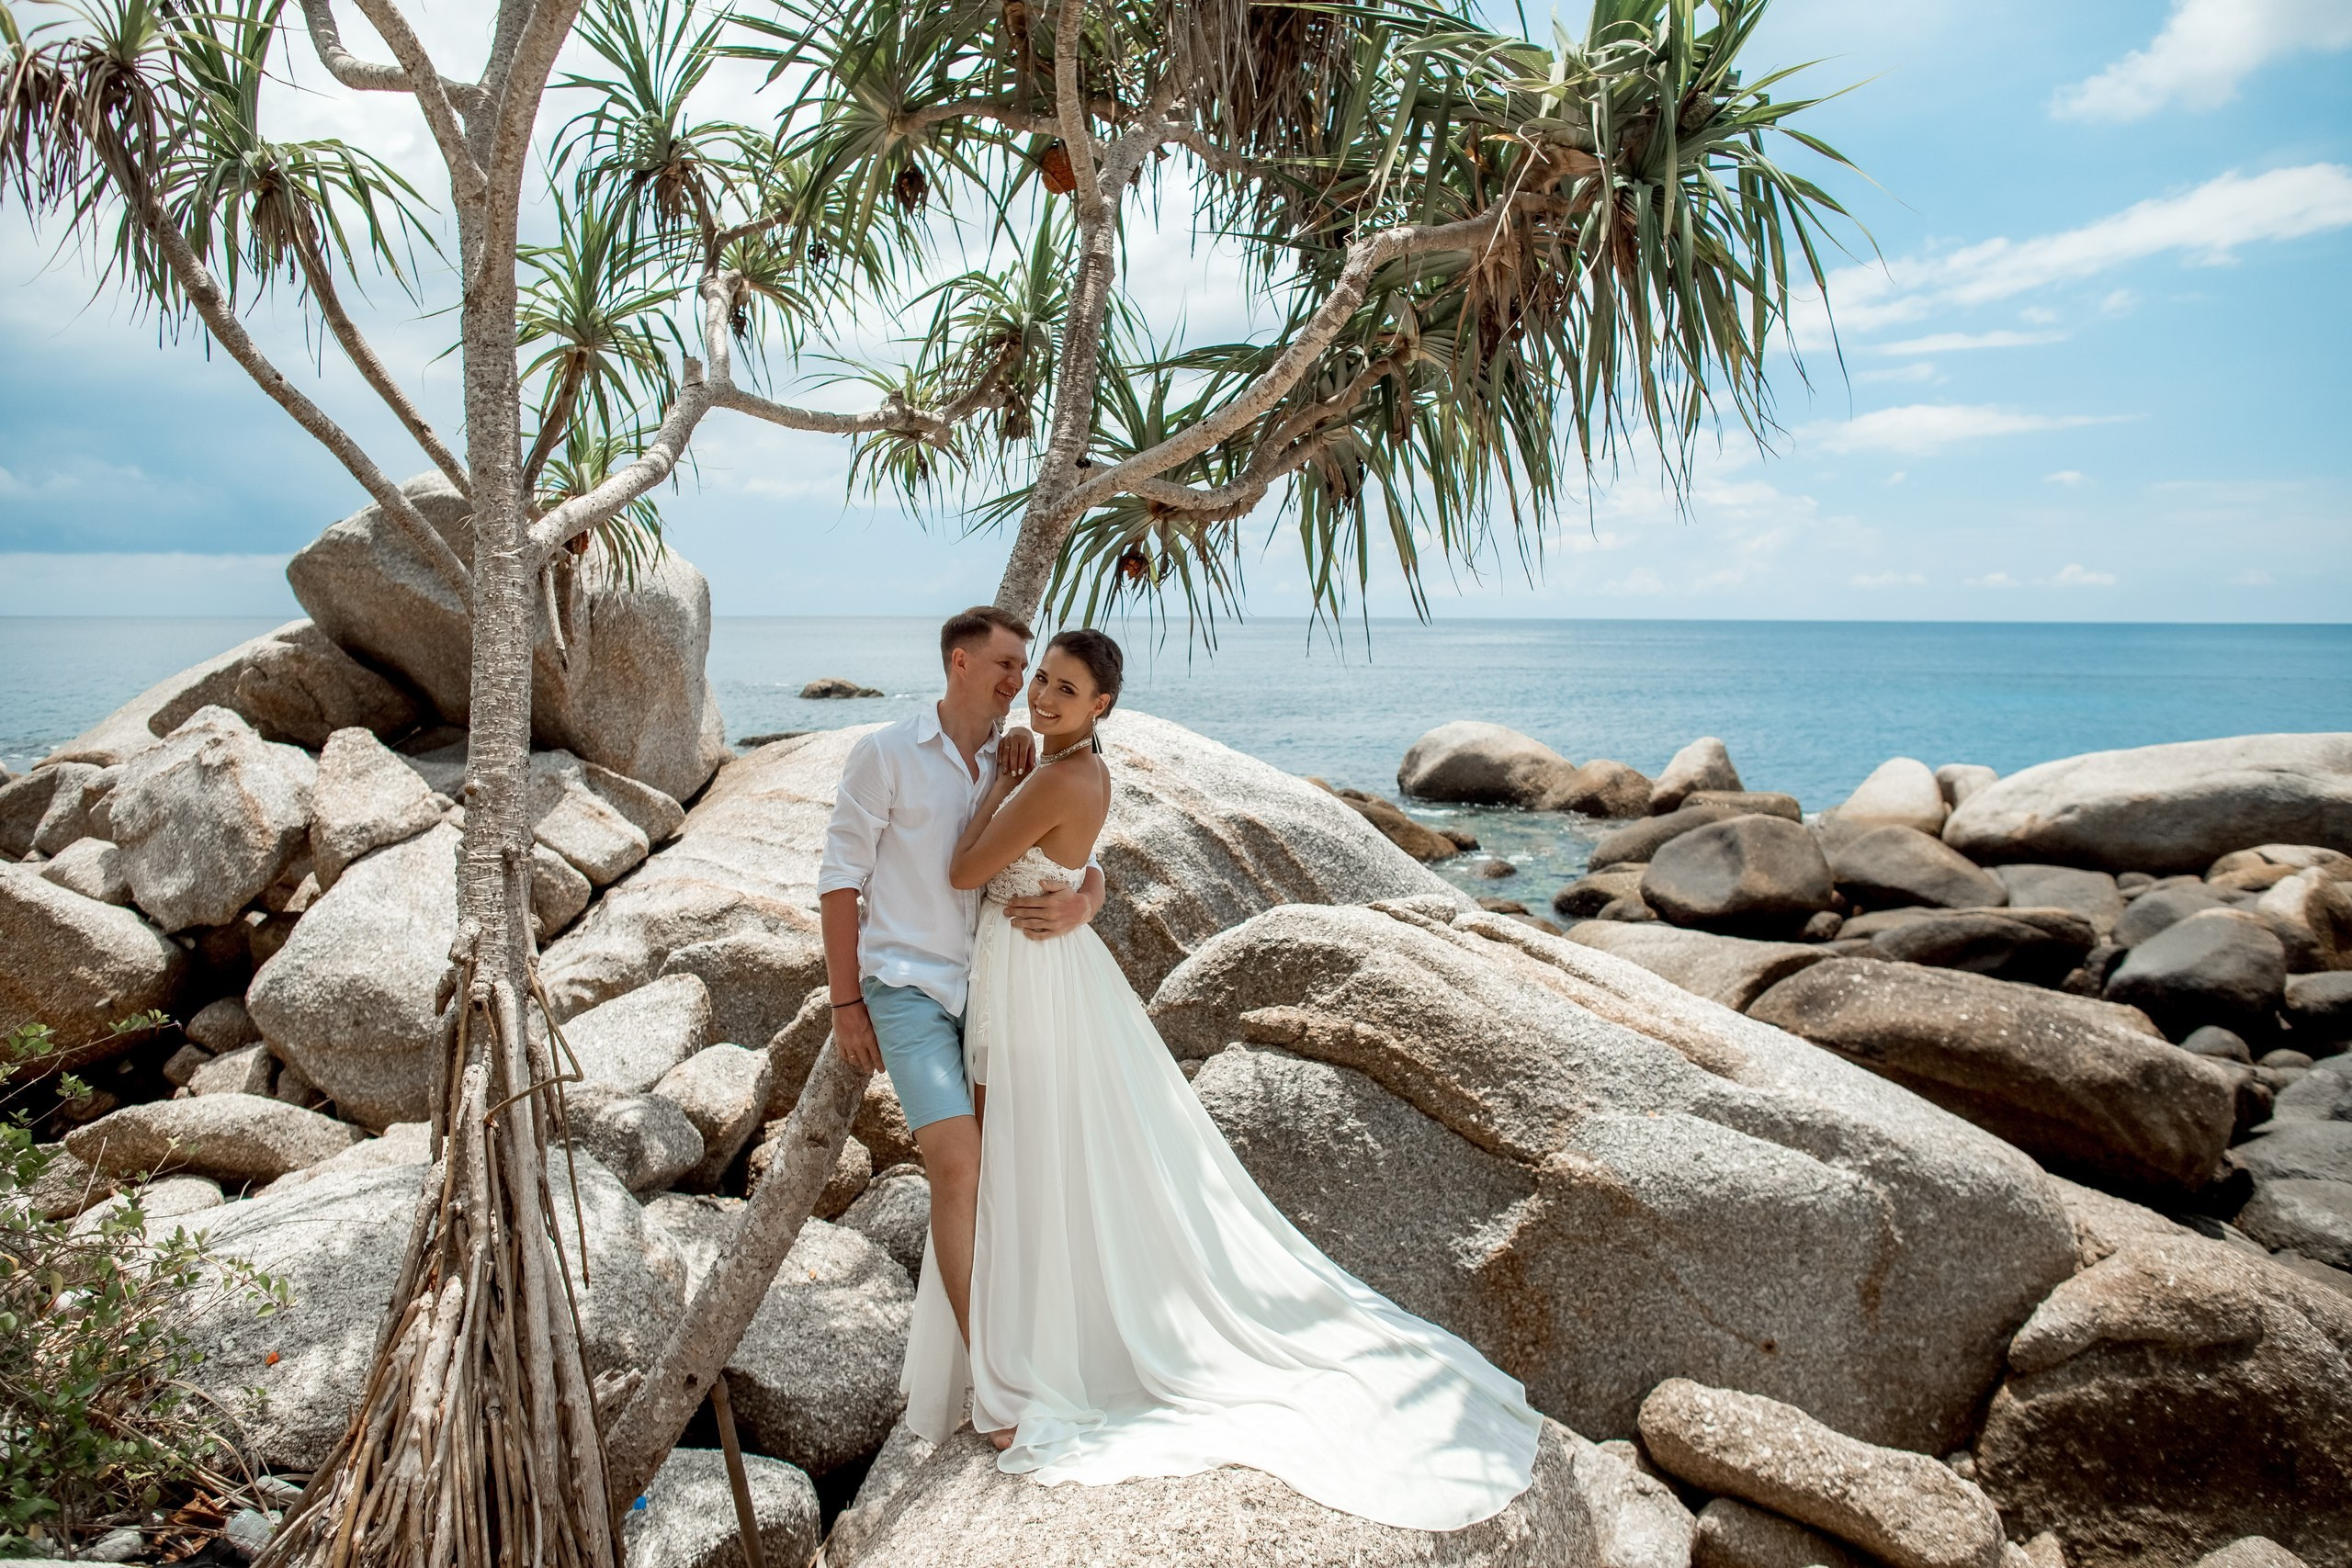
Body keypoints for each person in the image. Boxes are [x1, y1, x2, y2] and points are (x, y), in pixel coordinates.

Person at [900, 626, 1544, 1532]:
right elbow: (1080, 865)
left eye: (1065, 688)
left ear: (1101, 705)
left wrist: (1005, 791)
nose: (1042, 696)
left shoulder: (1048, 776)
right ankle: (1025, 1348)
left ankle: (1023, 1363)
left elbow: (966, 868)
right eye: (1040, 678)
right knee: (1031, 1157)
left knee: (1016, 1160)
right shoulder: (1086, 770)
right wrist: (1085, 894)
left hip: (1030, 981)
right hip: (1043, 969)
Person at [816, 606, 1106, 1350]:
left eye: (1029, 670)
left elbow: (1076, 852)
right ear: (961, 663)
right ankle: (988, 1362)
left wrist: (1084, 901)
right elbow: (840, 879)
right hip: (906, 987)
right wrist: (846, 1000)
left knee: (1014, 1165)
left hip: (991, 991)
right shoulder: (885, 752)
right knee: (957, 1163)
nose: (1022, 683)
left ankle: (1029, 1334)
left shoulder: (1019, 759)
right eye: (1011, 666)